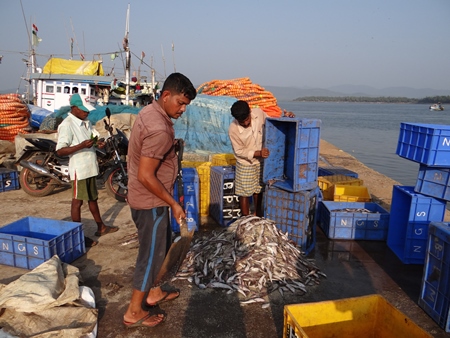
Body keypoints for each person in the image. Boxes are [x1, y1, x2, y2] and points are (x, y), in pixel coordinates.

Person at [123, 73, 197, 328]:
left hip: (145, 199)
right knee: (150, 256)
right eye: (180, 103)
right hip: (150, 202)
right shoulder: (159, 129)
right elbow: (146, 175)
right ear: (166, 96)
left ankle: (153, 292)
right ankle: (134, 311)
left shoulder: (149, 112)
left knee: (159, 248)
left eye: (186, 104)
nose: (183, 109)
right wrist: (174, 203)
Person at [56, 93, 119, 247]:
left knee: (93, 199)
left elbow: (93, 139)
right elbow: (60, 151)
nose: (87, 112)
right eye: (84, 110)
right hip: (80, 169)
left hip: (90, 167)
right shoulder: (67, 125)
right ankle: (78, 237)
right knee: (77, 202)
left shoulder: (86, 122)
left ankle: (101, 227)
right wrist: (82, 145)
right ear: (74, 108)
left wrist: (98, 144)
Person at [228, 100, 294, 217]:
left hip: (262, 161)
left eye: (247, 119)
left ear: (250, 112)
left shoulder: (259, 114)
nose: (245, 123)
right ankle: (245, 217)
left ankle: (257, 214)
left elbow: (272, 125)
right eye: (242, 122)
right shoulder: (233, 129)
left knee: (259, 190)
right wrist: (258, 153)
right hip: (245, 163)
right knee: (244, 192)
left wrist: (286, 117)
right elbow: (239, 151)